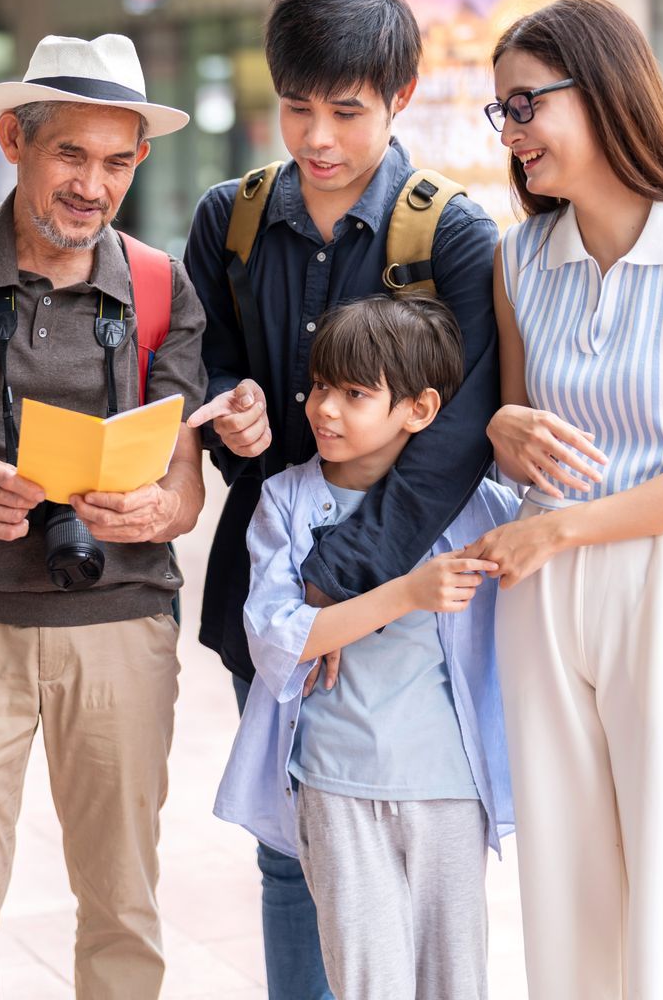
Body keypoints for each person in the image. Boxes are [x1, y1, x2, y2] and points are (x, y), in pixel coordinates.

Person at [0, 34, 209, 1000]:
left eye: (116, 162)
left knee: (124, 913)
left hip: (122, 623)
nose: (92, 185)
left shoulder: (158, 286)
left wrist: (153, 511)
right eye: (70, 155)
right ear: (16, 137)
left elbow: (187, 485)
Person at [182, 0, 500, 998]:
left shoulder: (453, 235)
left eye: (346, 110)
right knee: (293, 843)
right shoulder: (228, 221)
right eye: (296, 106)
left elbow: (456, 437)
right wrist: (232, 409)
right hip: (270, 574)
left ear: (400, 97)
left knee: (432, 840)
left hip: (414, 593)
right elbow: (208, 367)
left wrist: (342, 578)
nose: (316, 135)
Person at [472, 0, 663, 998]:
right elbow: (516, 431)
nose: (511, 134)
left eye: (525, 105)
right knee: (564, 887)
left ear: (600, 90)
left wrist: (570, 524)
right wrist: (499, 429)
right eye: (500, 114)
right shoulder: (518, 261)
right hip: (541, 593)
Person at [217, 294, 516, 1000]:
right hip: (335, 782)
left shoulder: (476, 505)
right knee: (364, 982)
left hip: (447, 786)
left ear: (419, 410)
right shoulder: (286, 502)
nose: (325, 409)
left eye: (356, 394)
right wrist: (406, 593)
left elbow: (557, 544)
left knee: (454, 981)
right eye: (322, 386)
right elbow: (279, 639)